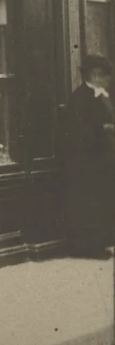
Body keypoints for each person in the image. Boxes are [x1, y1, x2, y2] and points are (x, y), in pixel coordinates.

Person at [64, 54, 115, 258]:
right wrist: (103, 128)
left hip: (104, 158)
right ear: (95, 75)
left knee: (103, 200)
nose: (108, 80)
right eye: (105, 76)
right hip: (88, 161)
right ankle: (89, 246)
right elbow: (77, 132)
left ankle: (103, 240)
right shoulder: (79, 98)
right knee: (90, 204)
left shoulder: (103, 95)